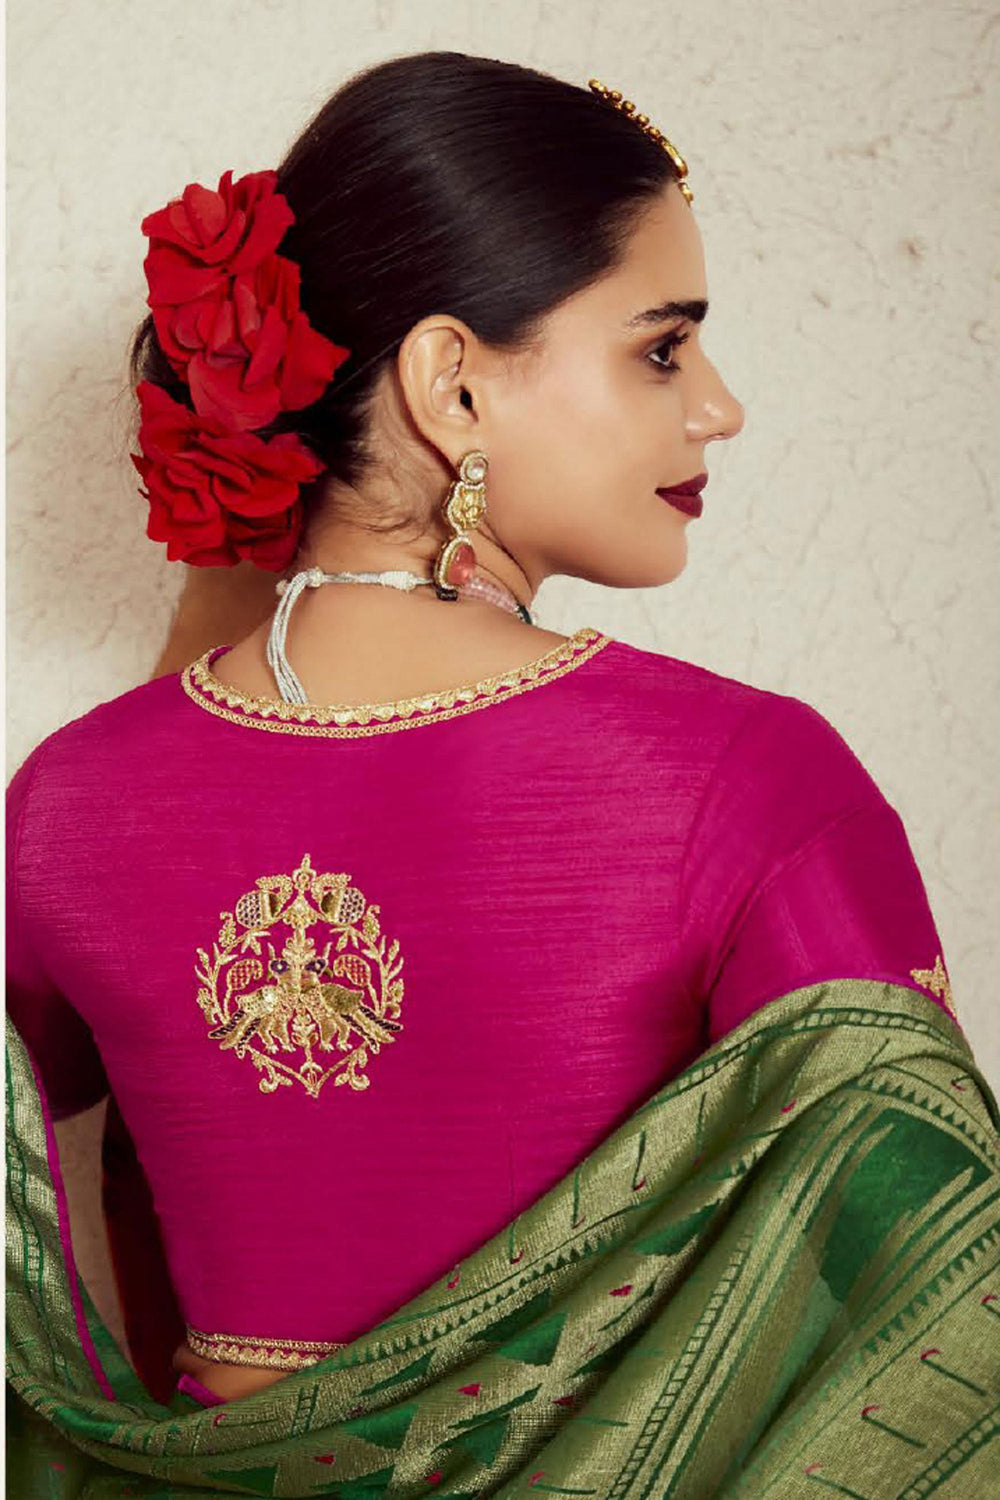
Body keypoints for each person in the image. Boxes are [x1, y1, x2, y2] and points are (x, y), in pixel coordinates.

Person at [7, 50, 998, 1499]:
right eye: (662, 349)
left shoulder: (71, 801)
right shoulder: (743, 779)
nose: (718, 407)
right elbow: (924, 1316)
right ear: (452, 386)